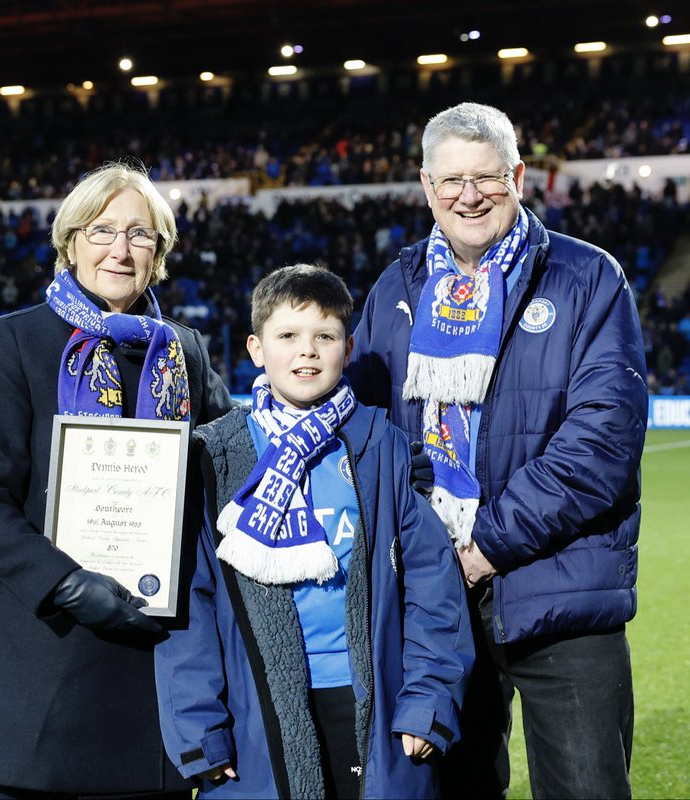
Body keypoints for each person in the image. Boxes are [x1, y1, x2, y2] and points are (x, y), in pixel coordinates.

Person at [347, 102, 648, 799]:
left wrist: (484, 548)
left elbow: (602, 444)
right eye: (451, 180)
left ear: (517, 176)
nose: (469, 195)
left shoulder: (585, 277)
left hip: (559, 595)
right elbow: (366, 433)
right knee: (452, 789)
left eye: (486, 176)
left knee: (584, 790)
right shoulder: (396, 288)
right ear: (426, 186)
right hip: (435, 600)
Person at [0, 162, 233, 799]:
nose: (120, 249)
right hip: (43, 653)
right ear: (70, 241)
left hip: (151, 654)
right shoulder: (16, 340)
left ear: (158, 253)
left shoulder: (182, 352)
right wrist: (65, 583)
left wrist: (362, 445)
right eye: (102, 231)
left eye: (140, 234)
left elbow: (238, 456)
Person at [154, 264, 474, 799]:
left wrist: (427, 702)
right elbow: (192, 604)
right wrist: (199, 733)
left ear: (347, 349)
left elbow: (432, 584)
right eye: (288, 336)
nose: (307, 351)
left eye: (324, 336)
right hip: (252, 710)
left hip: (375, 703)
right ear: (256, 349)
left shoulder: (383, 446)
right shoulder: (217, 455)